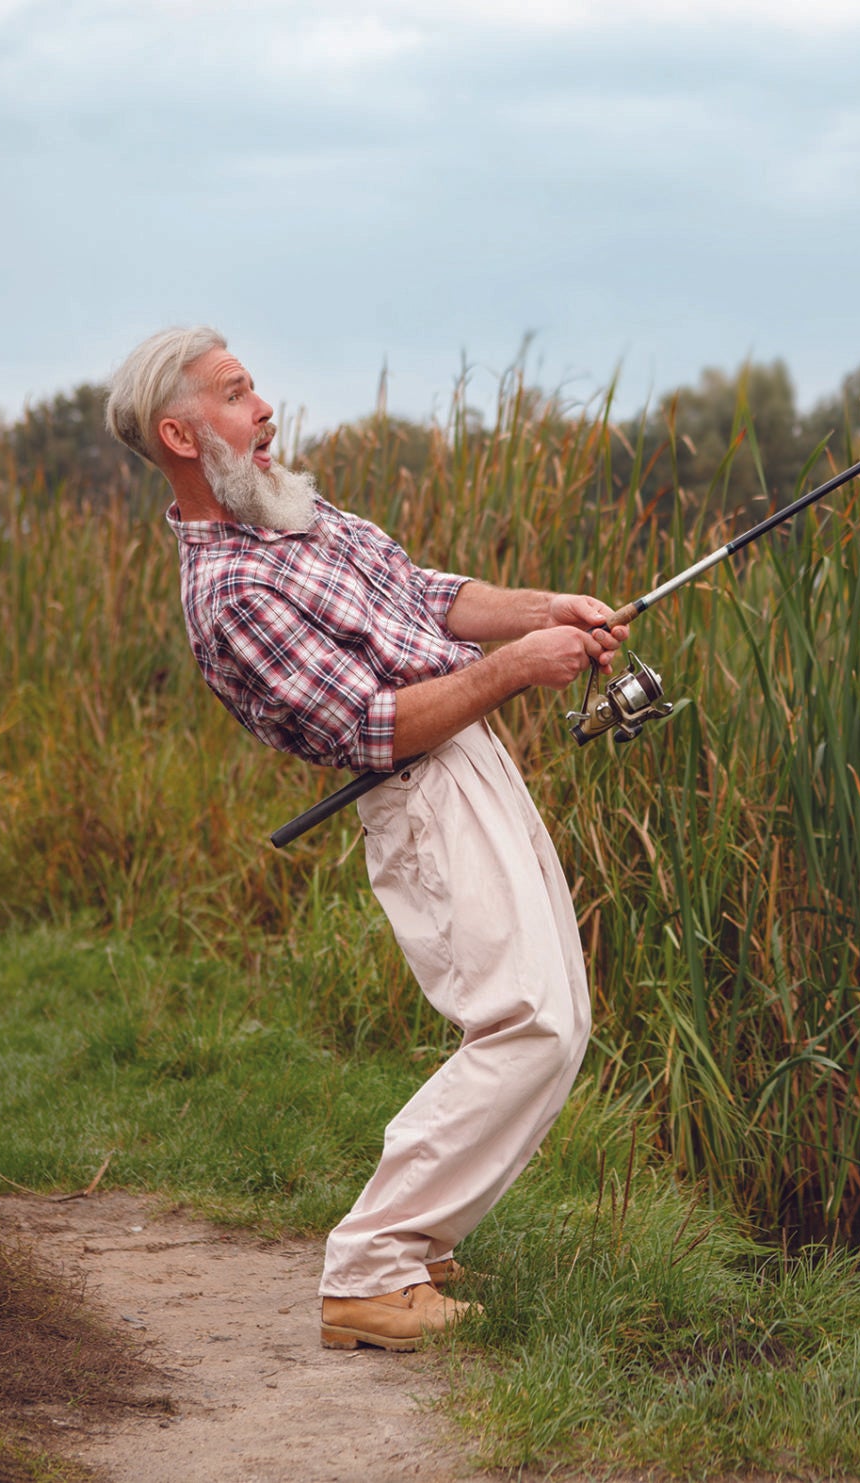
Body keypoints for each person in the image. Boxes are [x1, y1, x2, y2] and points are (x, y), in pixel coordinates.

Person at [104, 326, 626, 1352]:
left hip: (470, 764)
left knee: (557, 1011)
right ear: (179, 432)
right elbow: (370, 725)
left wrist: (541, 610)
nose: (265, 409)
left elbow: (426, 595)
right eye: (238, 393)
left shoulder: (286, 510)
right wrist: (521, 665)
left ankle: (417, 1249)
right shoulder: (229, 593)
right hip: (420, 789)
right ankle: (372, 1267)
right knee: (526, 1022)